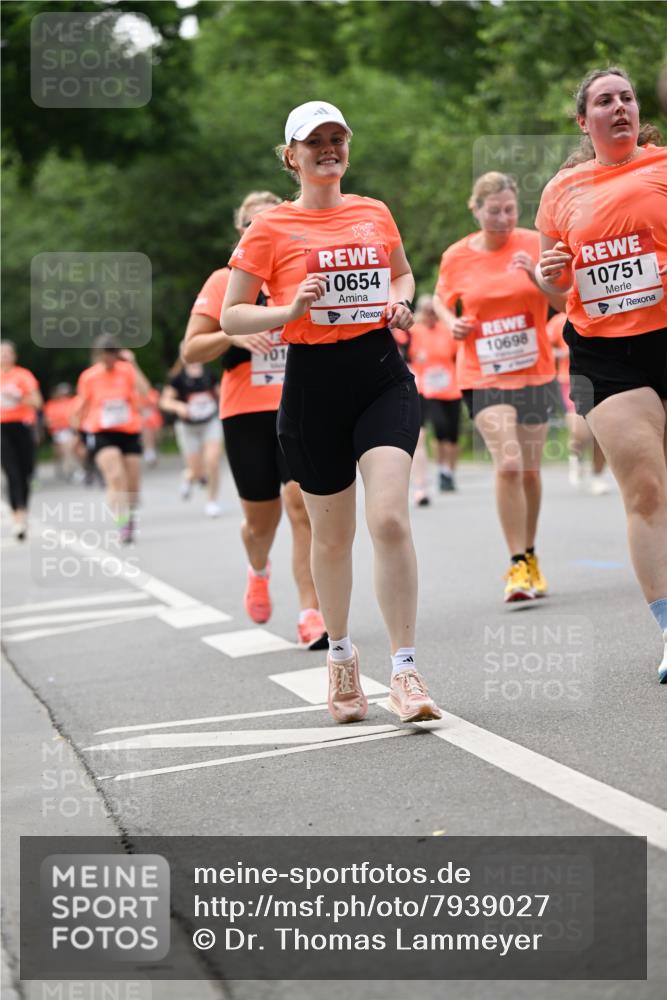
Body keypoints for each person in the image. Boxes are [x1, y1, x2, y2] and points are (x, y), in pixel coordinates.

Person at [221, 102, 442, 723]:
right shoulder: (267, 227)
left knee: (391, 520)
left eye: (336, 138)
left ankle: (404, 671)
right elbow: (232, 316)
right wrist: (286, 312)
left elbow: (402, 277)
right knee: (333, 536)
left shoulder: (373, 213)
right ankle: (341, 659)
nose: (328, 148)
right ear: (291, 156)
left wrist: (401, 304)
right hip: (312, 386)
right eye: (313, 141)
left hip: (380, 375)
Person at [535, 66, 667, 682]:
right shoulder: (563, 190)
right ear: (583, 120)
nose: (619, 108)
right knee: (644, 489)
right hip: (606, 350)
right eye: (604, 101)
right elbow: (554, 280)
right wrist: (549, 275)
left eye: (627, 98)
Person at [182, 190, 327, 649]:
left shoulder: (303, 271)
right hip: (246, 410)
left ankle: (311, 612)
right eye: (250, 223)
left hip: (300, 402)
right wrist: (234, 334)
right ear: (241, 230)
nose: (259, 229)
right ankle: (259, 568)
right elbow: (190, 350)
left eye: (269, 221)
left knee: (300, 503)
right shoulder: (224, 282)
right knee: (259, 524)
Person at [434, 172, 565, 602]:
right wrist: (453, 322)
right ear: (476, 209)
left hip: (534, 372)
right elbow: (440, 298)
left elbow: (564, 298)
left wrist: (535, 277)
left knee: (529, 470)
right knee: (508, 463)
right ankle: (515, 565)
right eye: (494, 211)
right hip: (483, 374)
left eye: (510, 209)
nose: (504, 218)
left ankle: (530, 555)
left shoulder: (532, 242)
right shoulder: (457, 256)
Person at [71, 337, 150, 544]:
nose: (108, 359)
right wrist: (76, 434)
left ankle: (129, 515)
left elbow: (145, 391)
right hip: (102, 432)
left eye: (112, 354)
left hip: (129, 431)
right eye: (104, 355)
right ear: (97, 356)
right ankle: (121, 521)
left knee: (132, 485)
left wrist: (133, 363)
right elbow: (81, 405)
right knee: (115, 477)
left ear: (117, 354)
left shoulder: (127, 370)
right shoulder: (89, 377)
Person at [547, 311, 609, 494]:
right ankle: (577, 456)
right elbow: (544, 347)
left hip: (603, 378)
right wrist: (563, 351)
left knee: (602, 434)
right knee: (580, 431)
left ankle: (598, 476)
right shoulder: (559, 321)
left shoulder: (602, 312)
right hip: (572, 380)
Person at [408, 293, 462, 502]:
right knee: (439, 430)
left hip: (452, 388)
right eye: (427, 311)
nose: (430, 315)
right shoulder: (415, 331)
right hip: (428, 390)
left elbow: (457, 354)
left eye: (433, 311)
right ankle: (442, 471)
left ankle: (450, 471)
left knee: (452, 434)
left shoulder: (445, 330)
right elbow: (407, 356)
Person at [160, 360, 224, 517]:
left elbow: (221, 393)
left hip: (210, 423)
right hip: (188, 427)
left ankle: (212, 501)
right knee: (197, 471)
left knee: (213, 462)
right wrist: (178, 406)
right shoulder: (178, 379)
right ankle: (190, 477)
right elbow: (165, 401)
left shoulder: (209, 374)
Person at [0, 340, 42, 540]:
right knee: (11, 472)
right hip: (2, 428)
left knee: (25, 471)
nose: (4, 357)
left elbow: (37, 402)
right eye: (1, 354)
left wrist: (18, 397)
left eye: (8, 353)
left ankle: (23, 509)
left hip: (22, 425)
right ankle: (18, 516)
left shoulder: (23, 376)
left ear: (14, 356)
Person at [43, 383, 79, 481]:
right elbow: (49, 421)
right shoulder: (51, 405)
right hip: (58, 431)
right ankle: (66, 469)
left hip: (70, 430)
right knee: (63, 450)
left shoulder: (73, 401)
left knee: (70, 448)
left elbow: (75, 417)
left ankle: (71, 469)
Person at [139, 385, 163, 467]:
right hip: (145, 418)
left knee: (156, 437)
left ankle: (154, 451)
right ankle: (149, 454)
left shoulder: (153, 393)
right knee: (148, 437)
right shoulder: (138, 394)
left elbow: (157, 404)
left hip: (155, 417)